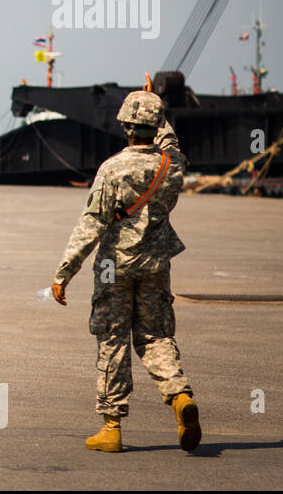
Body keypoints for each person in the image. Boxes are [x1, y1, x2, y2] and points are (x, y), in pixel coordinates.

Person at [50, 89, 200, 453]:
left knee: (112, 339)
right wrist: (155, 105)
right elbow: (171, 141)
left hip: (111, 267)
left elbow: (92, 223)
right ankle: (179, 395)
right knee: (155, 336)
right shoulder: (172, 165)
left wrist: (63, 272)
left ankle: (112, 427)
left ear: (125, 125)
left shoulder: (113, 168)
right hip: (155, 264)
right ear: (154, 124)